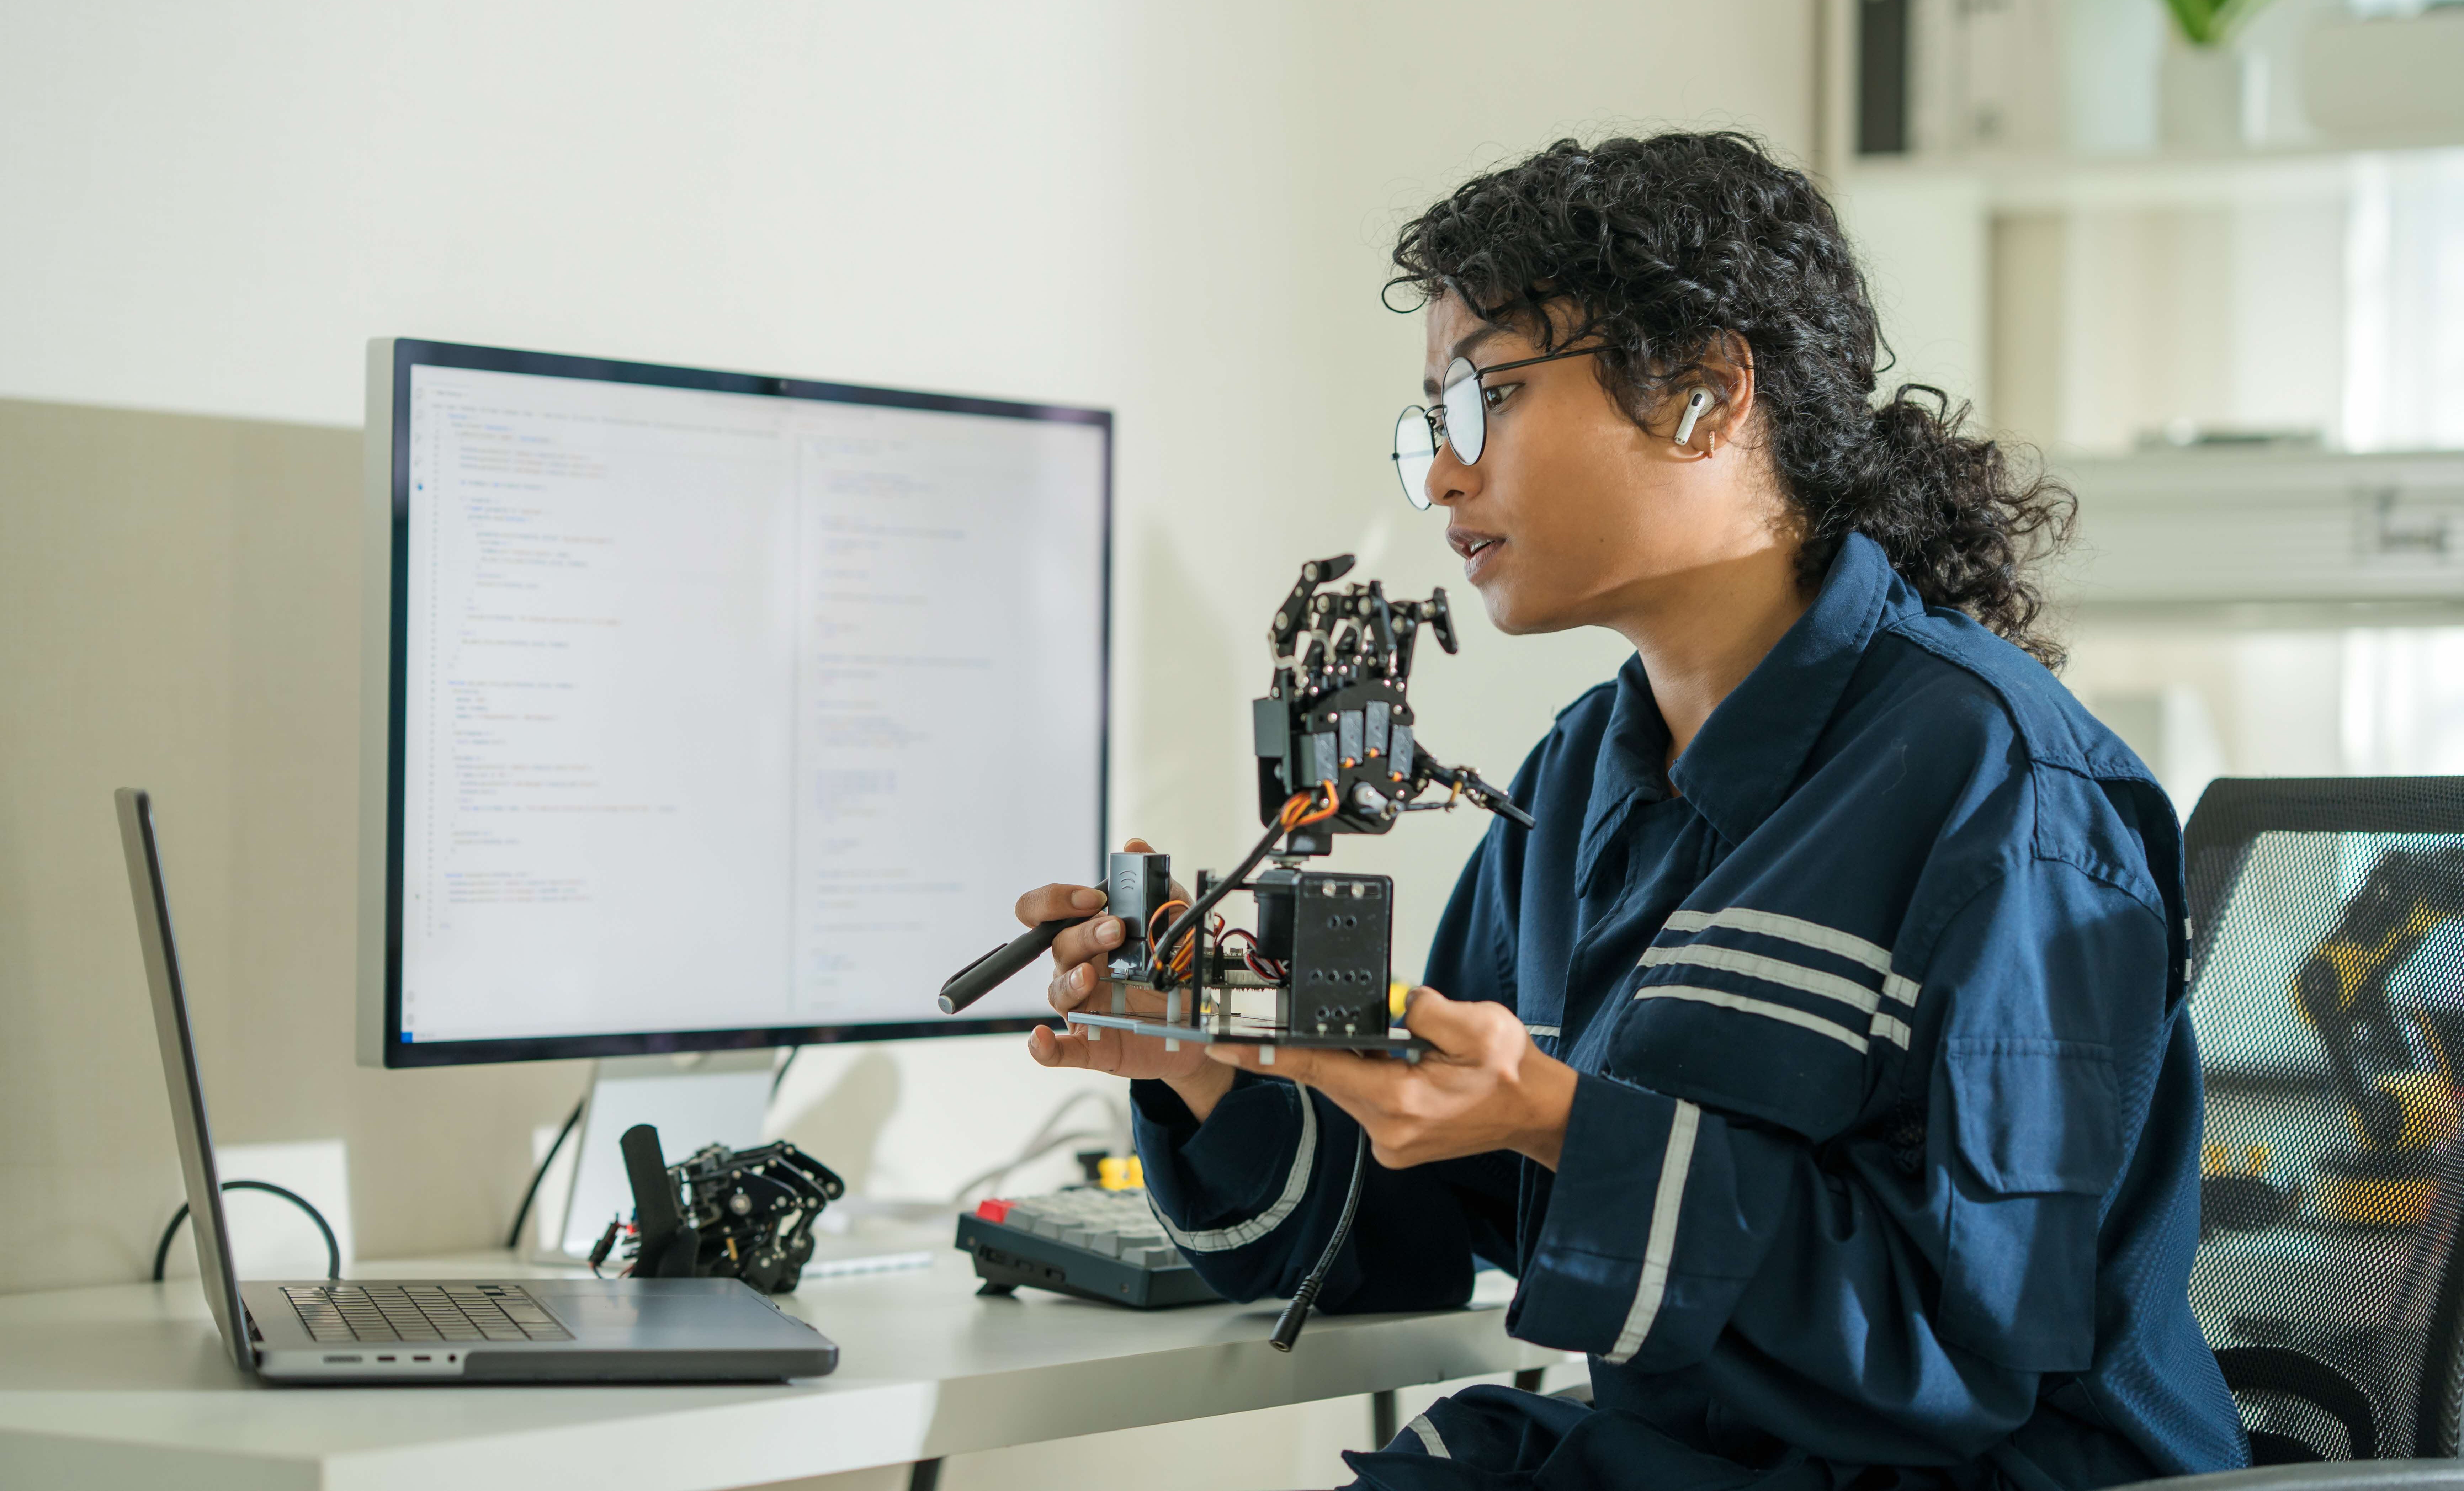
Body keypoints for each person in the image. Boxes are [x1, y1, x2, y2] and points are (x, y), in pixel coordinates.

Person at [1013, 132, 2247, 1491]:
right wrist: (1212, 1063)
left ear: (1707, 397)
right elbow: (1419, 1233)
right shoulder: (1582, 778)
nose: (1438, 475)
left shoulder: (2002, 789)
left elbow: (1960, 1349)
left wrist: (1556, 1118)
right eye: (1432, 423)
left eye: (1485, 402)